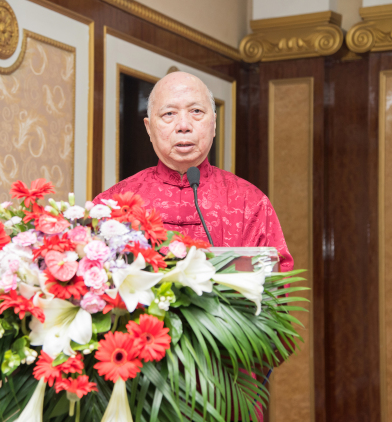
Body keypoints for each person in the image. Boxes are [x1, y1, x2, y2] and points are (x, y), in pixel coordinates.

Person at [94, 71, 293, 273]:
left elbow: (277, 282)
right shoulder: (112, 204)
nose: (183, 126)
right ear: (149, 128)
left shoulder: (251, 203)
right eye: (169, 114)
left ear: (214, 124)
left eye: (196, 111)